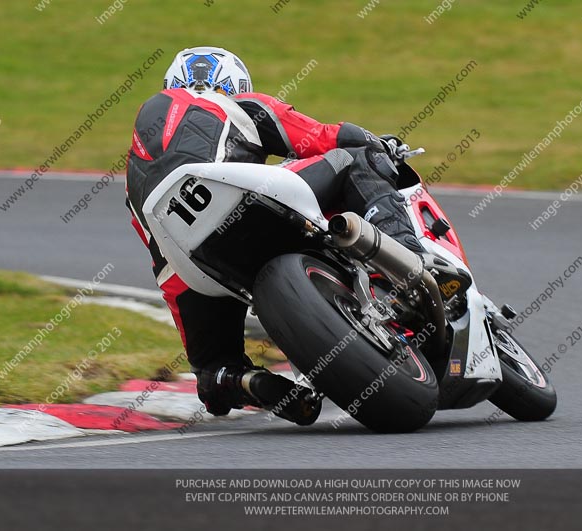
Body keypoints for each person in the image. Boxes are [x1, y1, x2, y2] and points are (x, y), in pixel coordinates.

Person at [125, 46, 427, 426]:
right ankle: (409, 261)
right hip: (250, 207)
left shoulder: (133, 179)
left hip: (191, 261)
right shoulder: (237, 105)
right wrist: (377, 145)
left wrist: (205, 363)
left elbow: (163, 262)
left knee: (213, 375)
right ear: (234, 85)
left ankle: (246, 382)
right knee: (357, 159)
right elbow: (326, 137)